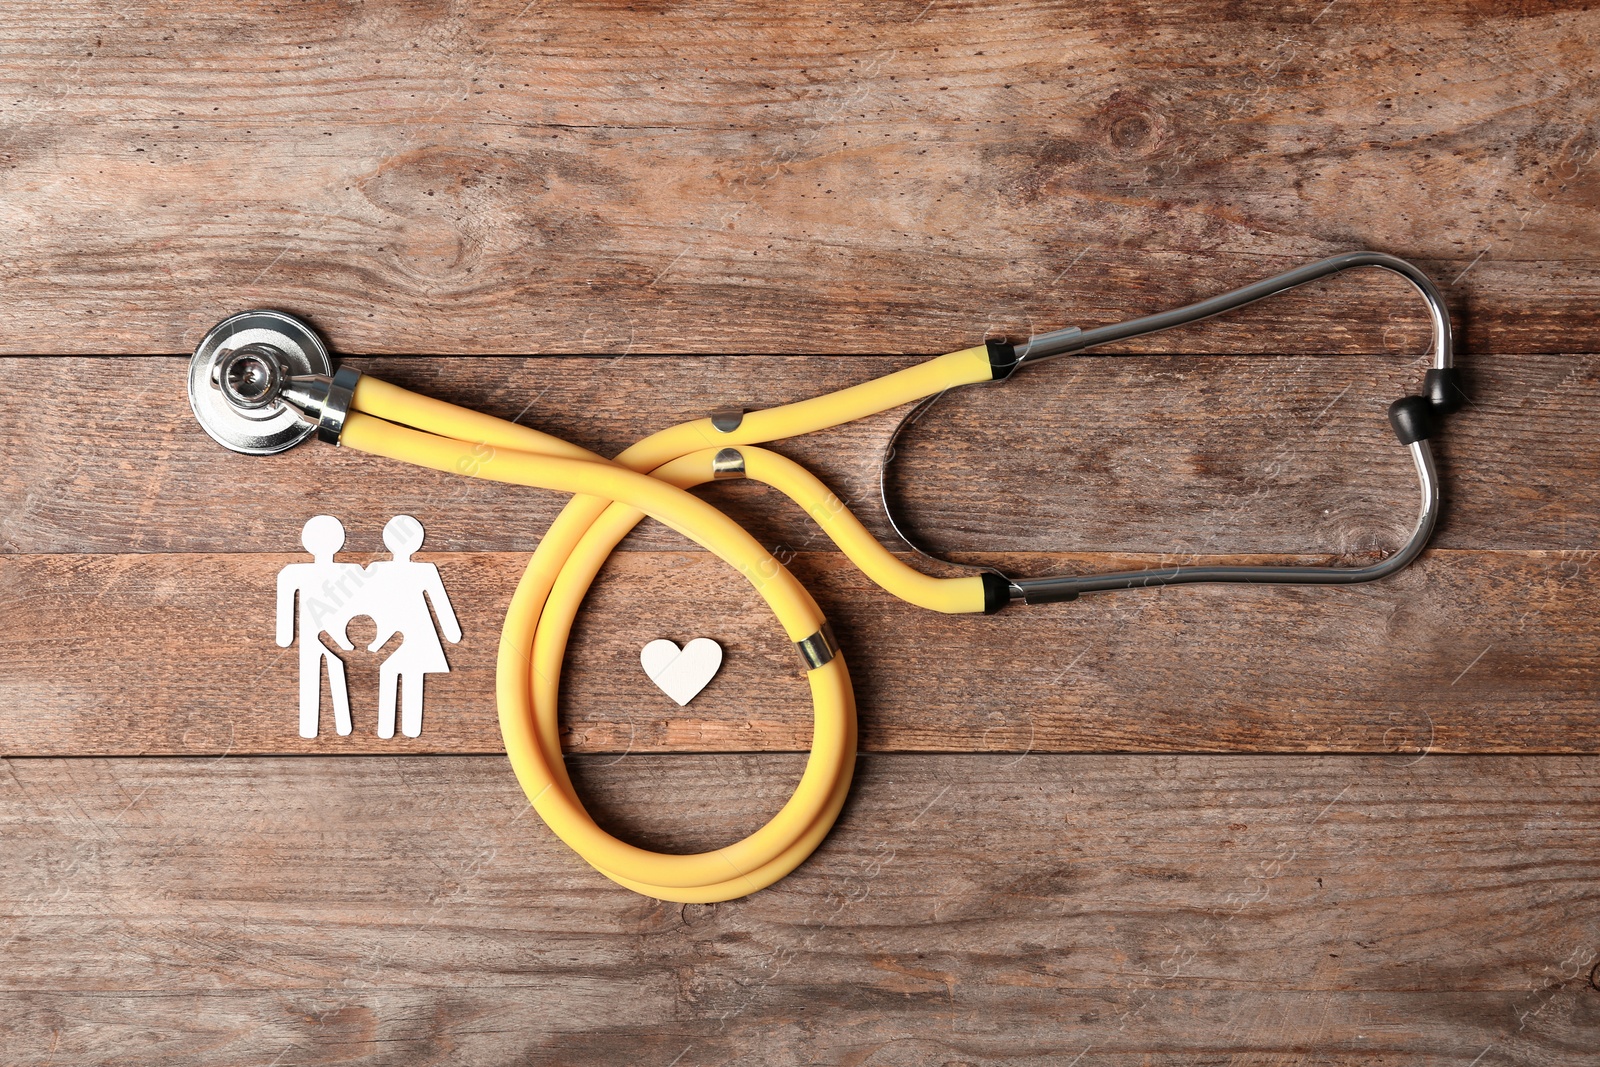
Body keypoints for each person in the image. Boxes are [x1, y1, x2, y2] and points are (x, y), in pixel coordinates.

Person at [354, 515, 461, 738]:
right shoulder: (383, 569)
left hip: (410, 630)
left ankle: (394, 728)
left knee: (397, 672)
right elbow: (365, 601)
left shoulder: (385, 569)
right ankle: (395, 728)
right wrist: (451, 633)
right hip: (398, 630)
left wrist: (452, 632)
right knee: (399, 672)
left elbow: (364, 603)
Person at [275, 515, 364, 738]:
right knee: (333, 671)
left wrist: (285, 635)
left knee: (319, 673)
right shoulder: (350, 571)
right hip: (332, 635)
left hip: (329, 635)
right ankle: (339, 726)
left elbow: (286, 606)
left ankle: (319, 727)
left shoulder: (294, 572)